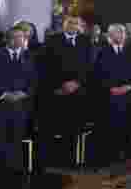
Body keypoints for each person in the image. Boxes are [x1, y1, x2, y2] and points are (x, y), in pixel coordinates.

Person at [0, 24, 38, 176]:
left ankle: (14, 172)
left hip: (21, 105)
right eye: (13, 37)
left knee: (16, 139)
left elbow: (34, 81)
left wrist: (24, 94)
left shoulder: (31, 57)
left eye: (20, 37)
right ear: (6, 39)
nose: (17, 40)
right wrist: (4, 94)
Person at [38, 15, 91, 170]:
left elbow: (88, 65)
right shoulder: (52, 40)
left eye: (76, 23)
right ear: (64, 25)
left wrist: (77, 83)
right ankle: (52, 160)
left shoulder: (85, 41)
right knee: (54, 127)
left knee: (73, 127)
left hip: (77, 92)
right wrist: (60, 85)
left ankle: (70, 160)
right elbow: (45, 65)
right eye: (70, 23)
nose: (73, 25)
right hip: (56, 91)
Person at [92, 24, 131, 163]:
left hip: (126, 94)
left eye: (124, 33)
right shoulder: (102, 51)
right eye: (120, 33)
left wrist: (128, 86)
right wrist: (111, 88)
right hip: (108, 96)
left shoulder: (128, 51)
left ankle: (123, 152)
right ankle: (109, 154)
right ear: (111, 35)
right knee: (110, 126)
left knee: (125, 125)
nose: (123, 35)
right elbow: (98, 74)